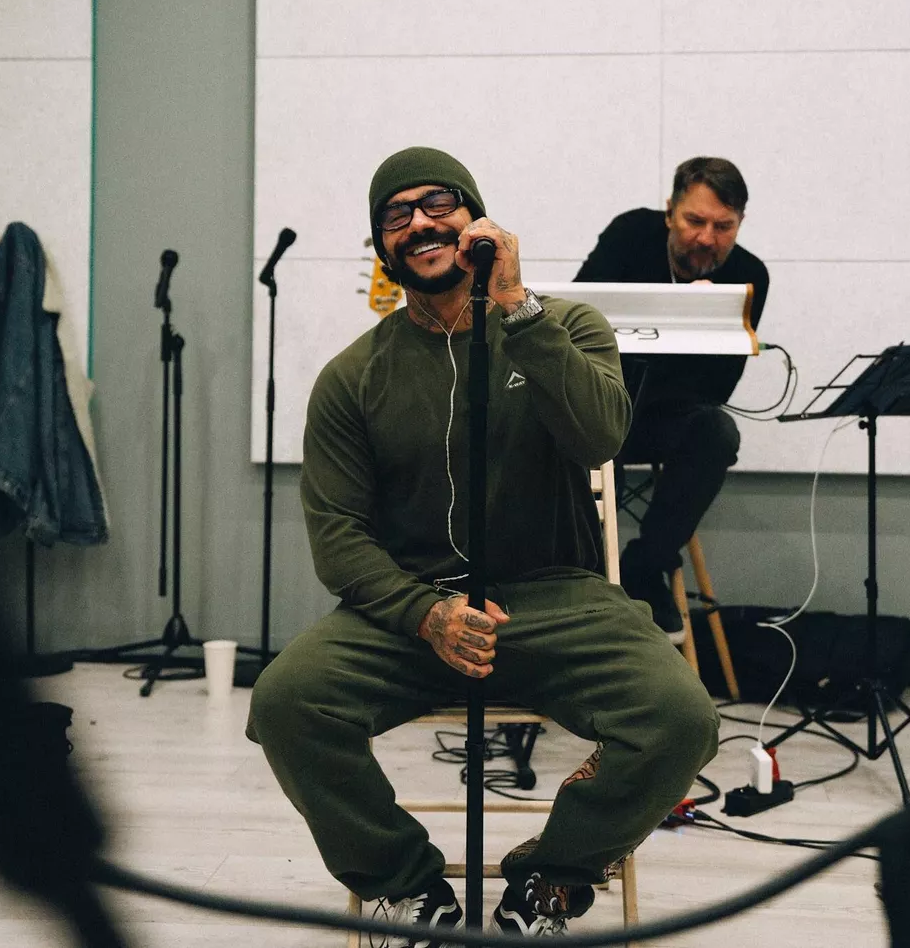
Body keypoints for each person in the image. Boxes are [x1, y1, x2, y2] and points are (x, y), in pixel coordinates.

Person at [247, 146, 718, 941]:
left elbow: (601, 438)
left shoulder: (565, 326)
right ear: (382, 245)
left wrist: (518, 310)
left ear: (477, 220)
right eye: (396, 215)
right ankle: (406, 884)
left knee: (681, 720)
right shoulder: (351, 377)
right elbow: (338, 536)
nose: (420, 223)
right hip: (413, 612)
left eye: (439, 203)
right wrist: (425, 614)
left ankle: (553, 875)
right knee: (288, 701)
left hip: (558, 599)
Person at [575, 156, 769, 642]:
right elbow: (575, 325)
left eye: (723, 227)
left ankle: (646, 567)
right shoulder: (630, 235)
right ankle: (586, 579)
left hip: (666, 417)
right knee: (590, 443)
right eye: (694, 221)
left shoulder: (748, 276)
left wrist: (698, 317)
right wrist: (671, 310)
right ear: (669, 213)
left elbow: (716, 390)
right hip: (604, 402)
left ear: (741, 222)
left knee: (717, 433)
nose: (706, 238)